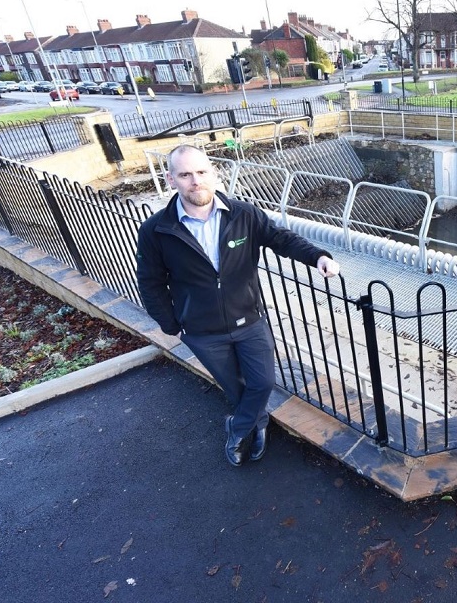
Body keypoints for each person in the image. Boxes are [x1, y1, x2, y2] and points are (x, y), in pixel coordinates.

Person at [136, 145, 340, 467]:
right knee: (235, 388)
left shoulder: (244, 215)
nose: (195, 181)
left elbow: (281, 239)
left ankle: (238, 427)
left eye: (201, 172)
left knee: (262, 383)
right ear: (171, 180)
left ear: (214, 174)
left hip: (249, 320)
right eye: (185, 174)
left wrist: (318, 256)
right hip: (201, 331)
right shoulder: (156, 230)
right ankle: (257, 426)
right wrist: (171, 324)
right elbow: (150, 282)